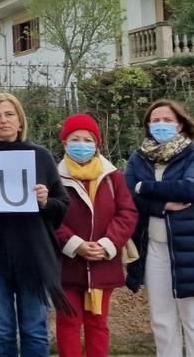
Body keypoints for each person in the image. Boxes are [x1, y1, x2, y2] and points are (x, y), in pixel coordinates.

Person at [0, 92, 70, 357]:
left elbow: (62, 206)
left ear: (20, 121)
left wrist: (45, 201)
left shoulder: (40, 155)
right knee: (1, 331)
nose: (3, 120)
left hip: (33, 250)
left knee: (34, 329)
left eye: (9, 114)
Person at [125, 98, 194, 357]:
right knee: (162, 322)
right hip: (154, 248)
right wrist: (161, 206)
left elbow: (192, 188)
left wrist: (144, 187)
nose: (161, 124)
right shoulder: (139, 158)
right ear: (148, 125)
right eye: (156, 120)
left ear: (180, 125)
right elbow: (127, 197)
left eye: (167, 120)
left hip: (193, 248)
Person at [54, 114, 138, 357]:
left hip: (103, 264)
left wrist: (107, 243)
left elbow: (127, 212)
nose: (82, 144)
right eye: (75, 139)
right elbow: (49, 217)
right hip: (66, 266)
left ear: (96, 143)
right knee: (68, 323)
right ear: (65, 143)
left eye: (88, 139)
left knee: (97, 325)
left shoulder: (113, 177)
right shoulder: (54, 176)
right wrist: (75, 244)